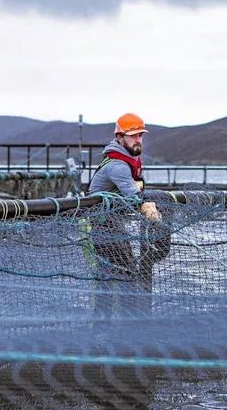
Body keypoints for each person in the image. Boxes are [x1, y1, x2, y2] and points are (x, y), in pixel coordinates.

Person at [85, 113, 170, 317]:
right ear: (119, 137)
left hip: (113, 226)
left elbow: (136, 185)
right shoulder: (117, 165)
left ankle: (106, 322)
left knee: (112, 274)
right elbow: (135, 197)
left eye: (140, 135)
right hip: (100, 227)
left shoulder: (130, 159)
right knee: (124, 273)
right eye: (132, 136)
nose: (138, 140)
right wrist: (151, 212)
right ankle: (123, 323)